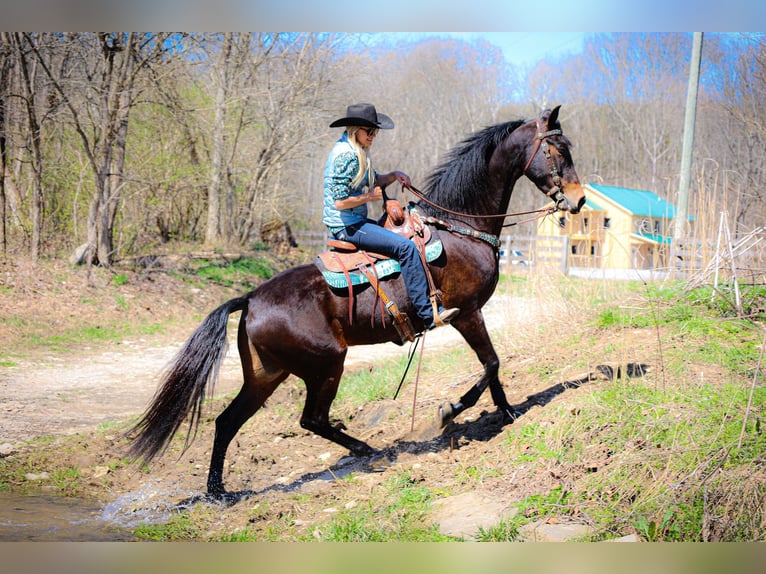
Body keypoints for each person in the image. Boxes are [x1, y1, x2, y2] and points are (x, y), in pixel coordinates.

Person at [322, 102, 459, 330]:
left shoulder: (357, 152)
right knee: (405, 248)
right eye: (370, 131)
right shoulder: (345, 156)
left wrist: (394, 175)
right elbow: (340, 201)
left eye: (376, 132)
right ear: (356, 129)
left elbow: (374, 180)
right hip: (347, 226)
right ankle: (427, 314)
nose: (374, 136)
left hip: (355, 222)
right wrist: (368, 198)